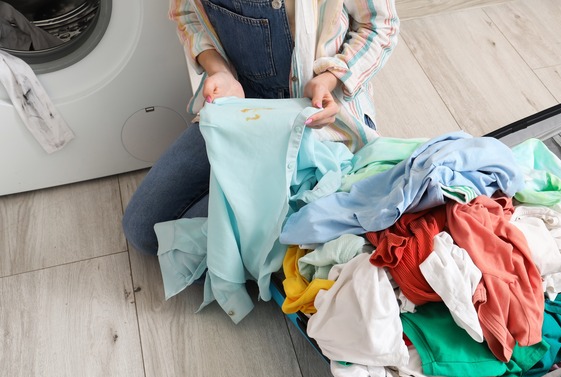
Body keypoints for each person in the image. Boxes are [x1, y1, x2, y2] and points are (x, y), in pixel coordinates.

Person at [122, 0, 399, 255]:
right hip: (238, 109)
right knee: (143, 231)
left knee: (200, 241)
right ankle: (274, 224)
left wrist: (330, 78)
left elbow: (379, 25)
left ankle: (292, 218)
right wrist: (220, 71)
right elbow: (186, 13)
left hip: (318, 120)